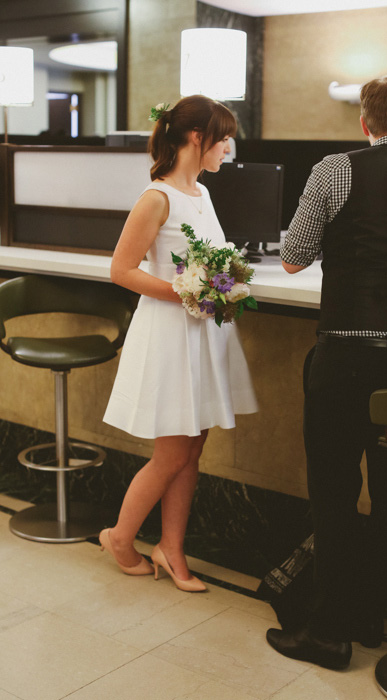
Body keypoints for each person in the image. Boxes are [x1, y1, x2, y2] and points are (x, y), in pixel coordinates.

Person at [266, 75, 387, 669]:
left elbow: (294, 256)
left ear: (364, 122)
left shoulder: (334, 169)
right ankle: (372, 617)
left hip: (345, 358)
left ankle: (328, 632)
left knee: (333, 491)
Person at [100, 95, 258, 592]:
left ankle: (171, 549)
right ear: (197, 138)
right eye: (224, 136)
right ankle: (121, 537)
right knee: (170, 452)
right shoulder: (158, 197)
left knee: (193, 448)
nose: (228, 146)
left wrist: (218, 287)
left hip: (201, 332)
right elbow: (121, 270)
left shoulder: (202, 194)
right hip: (171, 330)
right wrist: (186, 293)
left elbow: (208, 259)